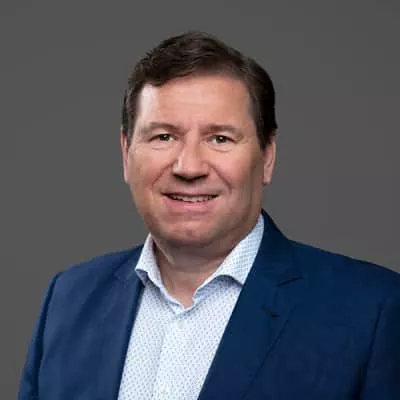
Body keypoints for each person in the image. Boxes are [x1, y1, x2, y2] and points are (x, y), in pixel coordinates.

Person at [19, 30, 400, 400]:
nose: (189, 167)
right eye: (164, 137)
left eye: (220, 138)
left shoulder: (372, 311)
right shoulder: (68, 298)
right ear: (126, 153)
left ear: (267, 156)